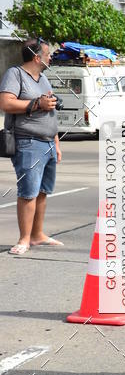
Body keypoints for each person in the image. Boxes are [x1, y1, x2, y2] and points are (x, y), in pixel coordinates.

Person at [0, 38, 63, 255]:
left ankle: (37, 235)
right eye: (47, 54)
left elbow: (50, 109)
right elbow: (6, 103)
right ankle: (24, 239)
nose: (50, 57)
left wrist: (56, 142)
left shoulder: (44, 78)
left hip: (47, 143)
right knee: (28, 192)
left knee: (43, 191)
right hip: (28, 142)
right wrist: (37, 104)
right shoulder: (15, 74)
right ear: (37, 57)